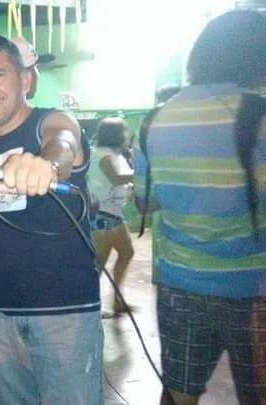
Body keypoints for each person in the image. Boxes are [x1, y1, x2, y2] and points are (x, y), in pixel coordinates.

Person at [134, 10, 266, 405]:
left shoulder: (156, 120)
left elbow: (144, 201)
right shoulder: (257, 116)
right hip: (253, 287)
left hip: (180, 282)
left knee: (177, 394)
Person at [0, 34, 102, 404]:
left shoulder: (50, 122)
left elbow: (64, 144)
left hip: (62, 314)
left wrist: (47, 166)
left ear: (24, 79)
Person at [89, 117, 135, 317]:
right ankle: (90, 307)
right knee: (98, 265)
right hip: (103, 215)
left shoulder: (115, 155)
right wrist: (143, 175)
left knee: (127, 252)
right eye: (124, 132)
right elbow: (115, 178)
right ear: (116, 135)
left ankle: (117, 300)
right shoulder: (103, 155)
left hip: (113, 214)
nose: (127, 136)